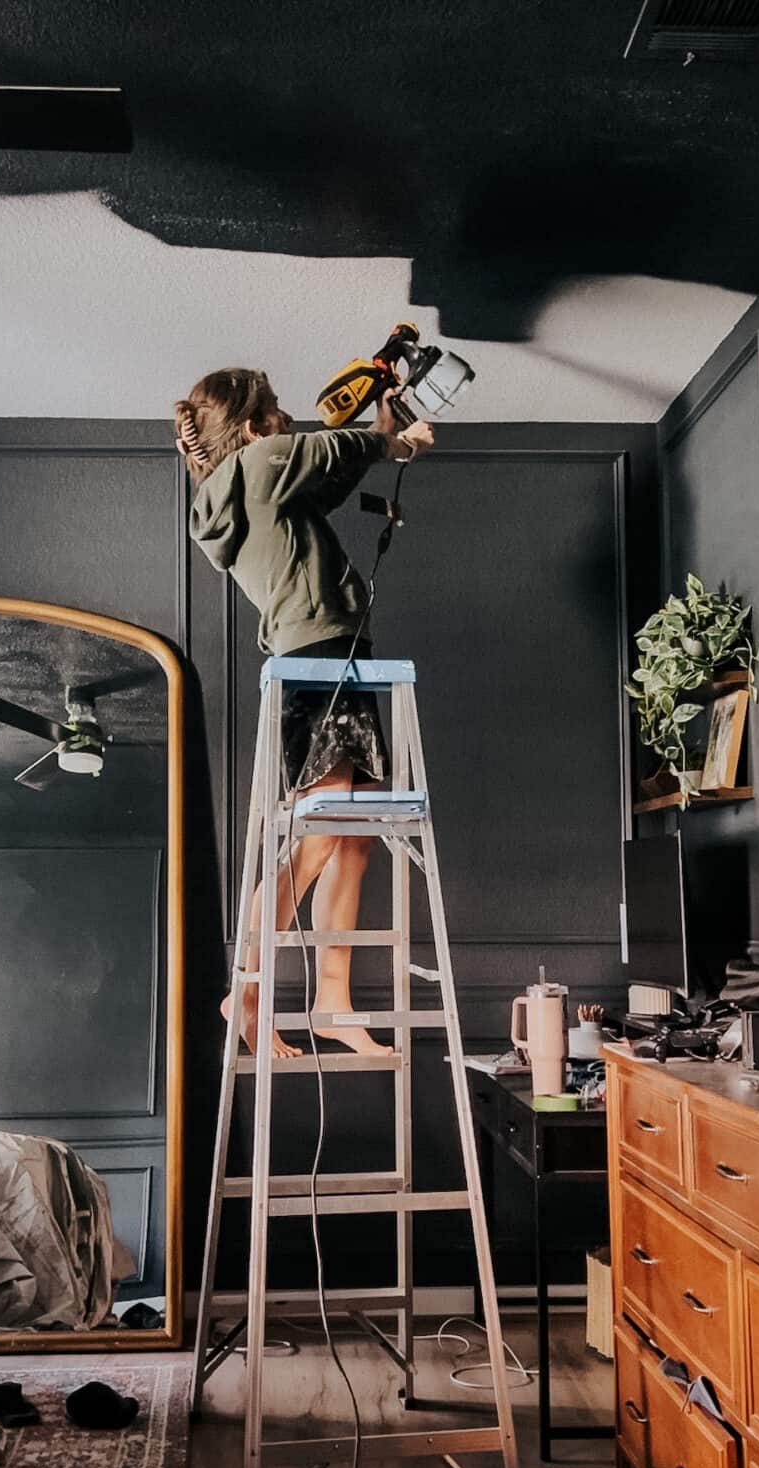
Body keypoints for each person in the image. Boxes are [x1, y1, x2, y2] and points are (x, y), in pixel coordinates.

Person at [175, 368, 434, 1058]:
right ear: (254, 427)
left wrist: (389, 445)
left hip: (331, 661)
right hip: (317, 663)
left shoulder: (251, 487)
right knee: (323, 837)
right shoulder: (259, 462)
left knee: (352, 839)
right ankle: (249, 990)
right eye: (276, 412)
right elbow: (328, 454)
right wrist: (385, 436)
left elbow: (326, 479)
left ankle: (333, 1002)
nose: (288, 417)